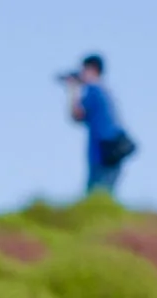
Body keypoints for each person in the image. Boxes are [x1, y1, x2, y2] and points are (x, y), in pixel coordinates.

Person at [61, 53, 134, 197]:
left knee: (97, 195)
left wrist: (72, 90)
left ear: (91, 69)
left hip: (102, 153)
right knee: (103, 194)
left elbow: (76, 116)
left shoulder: (94, 91)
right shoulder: (104, 92)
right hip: (110, 151)